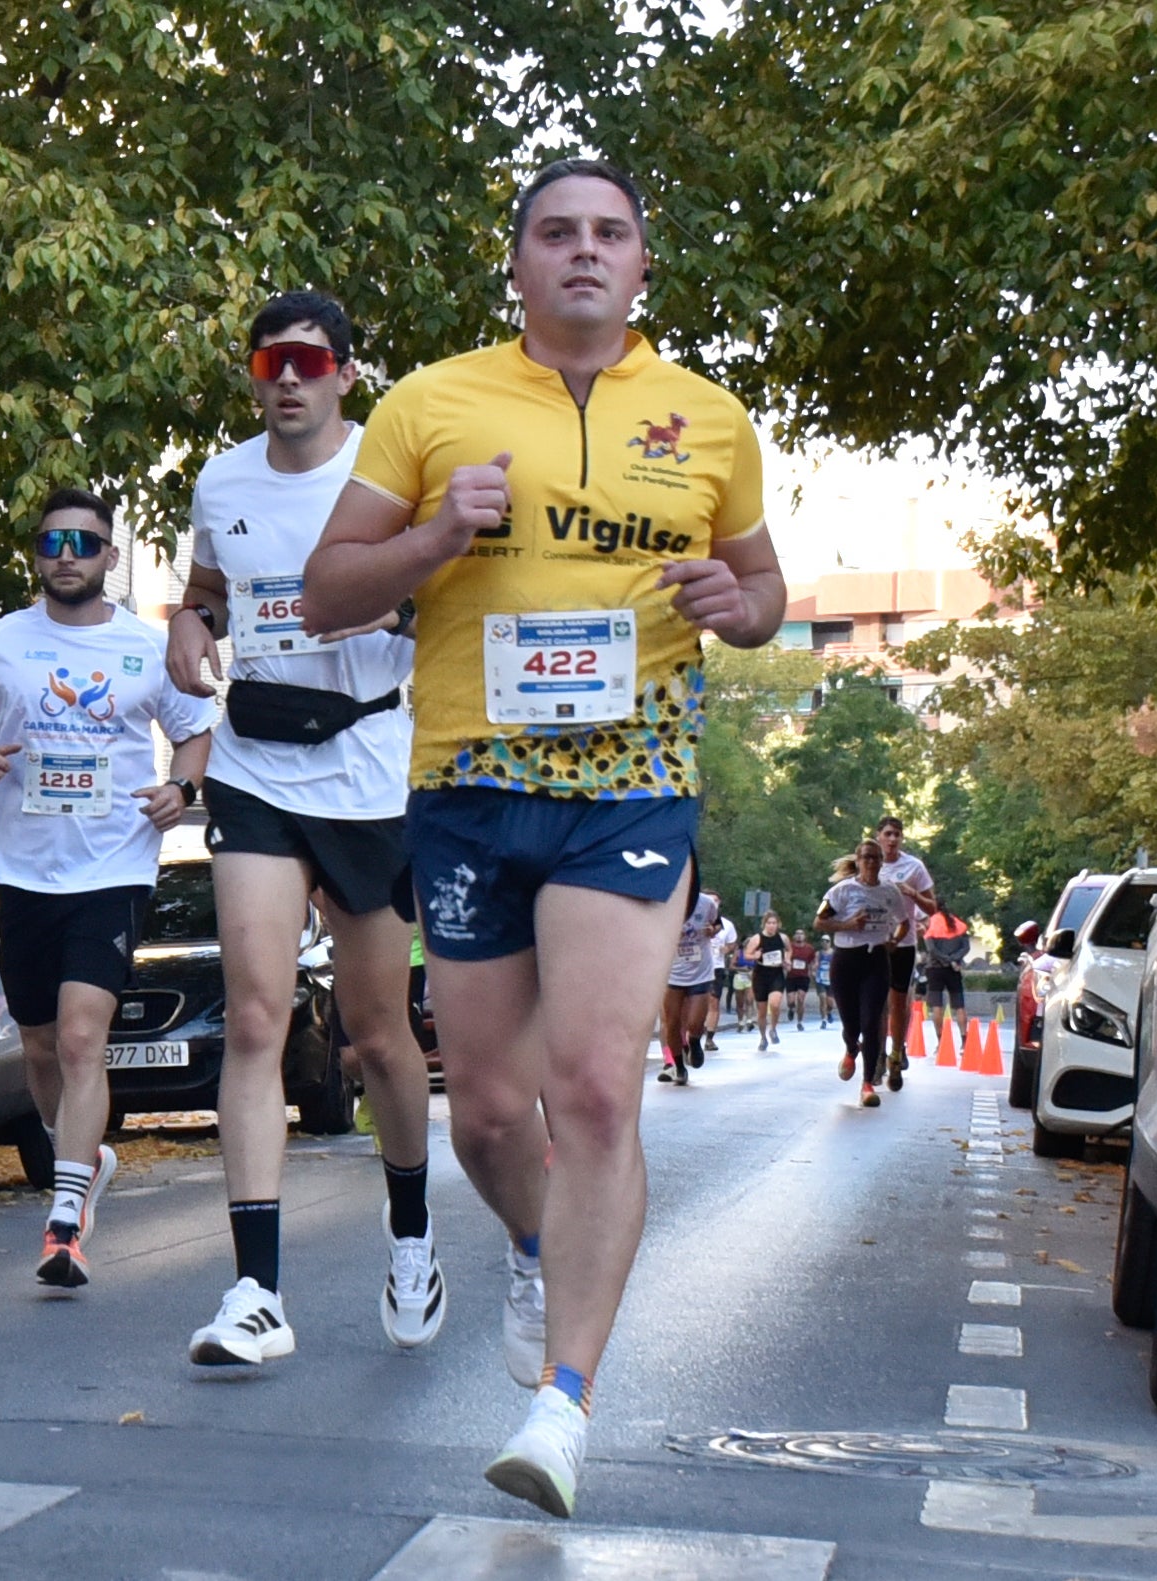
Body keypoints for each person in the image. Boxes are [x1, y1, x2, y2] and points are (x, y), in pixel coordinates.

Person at [301, 157, 784, 1518]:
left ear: (640, 266)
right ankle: (530, 1241)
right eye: (556, 232)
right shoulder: (429, 404)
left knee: (593, 1088)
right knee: (490, 1107)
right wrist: (433, 541)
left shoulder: (708, 418)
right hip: (469, 781)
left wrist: (737, 606)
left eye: (608, 234)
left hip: (631, 784)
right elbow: (326, 593)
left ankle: (562, 1406)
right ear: (515, 264)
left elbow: (761, 588)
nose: (583, 251)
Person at [163, 289, 436, 1365]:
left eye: (309, 363)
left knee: (377, 1034)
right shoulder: (220, 480)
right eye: (269, 361)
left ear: (345, 376)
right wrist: (187, 625)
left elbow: (449, 598)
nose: (287, 378)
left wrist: (385, 603)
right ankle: (253, 1292)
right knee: (253, 1016)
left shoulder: (389, 470)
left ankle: (410, 1232)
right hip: (255, 762)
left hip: (369, 767)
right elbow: (205, 591)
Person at [0, 488, 215, 1288]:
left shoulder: (144, 645)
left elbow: (194, 732)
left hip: (113, 866)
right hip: (24, 870)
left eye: (83, 542)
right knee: (41, 1045)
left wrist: (181, 790)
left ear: (110, 555)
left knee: (83, 1037)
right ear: (36, 555)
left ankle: (64, 1217)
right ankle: (82, 1156)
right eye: (52, 542)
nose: (67, 555)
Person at [816, 840, 912, 1109]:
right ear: (858, 861)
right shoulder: (842, 891)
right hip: (846, 961)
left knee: (872, 1023)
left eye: (875, 858)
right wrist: (848, 924)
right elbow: (819, 922)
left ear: (881, 862)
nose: (871, 862)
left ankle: (868, 1084)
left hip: (876, 960)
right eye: (866, 858)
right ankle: (850, 1048)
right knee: (852, 1025)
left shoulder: (889, 891)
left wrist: (894, 941)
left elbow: (904, 923)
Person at [874, 815, 939, 1084]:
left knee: (898, 1003)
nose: (892, 839)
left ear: (902, 838)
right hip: (874, 943)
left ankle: (896, 1054)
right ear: (878, 836)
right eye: (888, 834)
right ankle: (878, 1055)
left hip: (904, 944)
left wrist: (913, 893)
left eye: (897, 834)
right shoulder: (868, 863)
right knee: (876, 1002)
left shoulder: (914, 866)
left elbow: (932, 908)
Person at [659, 890, 721, 1086]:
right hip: (672, 971)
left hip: (700, 971)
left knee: (695, 1022)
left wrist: (712, 930)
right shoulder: (664, 900)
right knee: (672, 1022)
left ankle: (694, 1041)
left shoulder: (706, 903)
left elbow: (717, 924)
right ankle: (679, 1067)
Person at [922, 904, 973, 1044]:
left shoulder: (931, 923)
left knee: (937, 1005)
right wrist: (953, 960)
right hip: (954, 969)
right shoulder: (958, 924)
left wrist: (946, 960)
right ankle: (964, 1040)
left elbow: (932, 950)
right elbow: (966, 947)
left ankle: (941, 1041)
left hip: (935, 969)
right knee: (959, 1005)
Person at [749, 911, 789, 1051]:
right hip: (761, 975)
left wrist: (787, 960)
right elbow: (747, 954)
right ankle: (763, 1038)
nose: (772, 926)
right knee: (761, 1012)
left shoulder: (783, 938)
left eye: (774, 923)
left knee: (775, 1004)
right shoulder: (757, 938)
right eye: (769, 923)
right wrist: (755, 955)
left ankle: (773, 1029)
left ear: (778, 924)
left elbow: (789, 950)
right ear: (764, 924)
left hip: (776, 973)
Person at [700, 910, 737, 1054]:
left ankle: (709, 1038)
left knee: (714, 1002)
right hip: (697, 966)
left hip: (716, 967)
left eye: (716, 900)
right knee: (696, 1002)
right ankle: (693, 1035)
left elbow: (732, 943)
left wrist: (726, 949)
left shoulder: (727, 925)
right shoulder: (696, 919)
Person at [785, 929, 816, 1029]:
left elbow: (813, 961)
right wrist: (786, 965)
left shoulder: (809, 949)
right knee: (790, 1001)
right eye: (797, 934)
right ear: (794, 936)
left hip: (803, 977)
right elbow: (785, 958)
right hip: (791, 977)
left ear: (804, 936)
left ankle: (800, 1022)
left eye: (801, 934)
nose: (799, 936)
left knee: (801, 999)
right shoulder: (790, 947)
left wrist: (813, 970)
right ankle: (791, 1009)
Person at [815, 940, 835, 1028]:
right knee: (822, 998)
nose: (825, 943)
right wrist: (814, 968)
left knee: (830, 1003)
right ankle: (823, 1020)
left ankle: (829, 1012)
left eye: (827, 941)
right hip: (820, 980)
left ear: (830, 943)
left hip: (831, 980)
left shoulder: (834, 953)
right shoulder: (818, 953)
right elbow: (815, 963)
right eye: (823, 941)